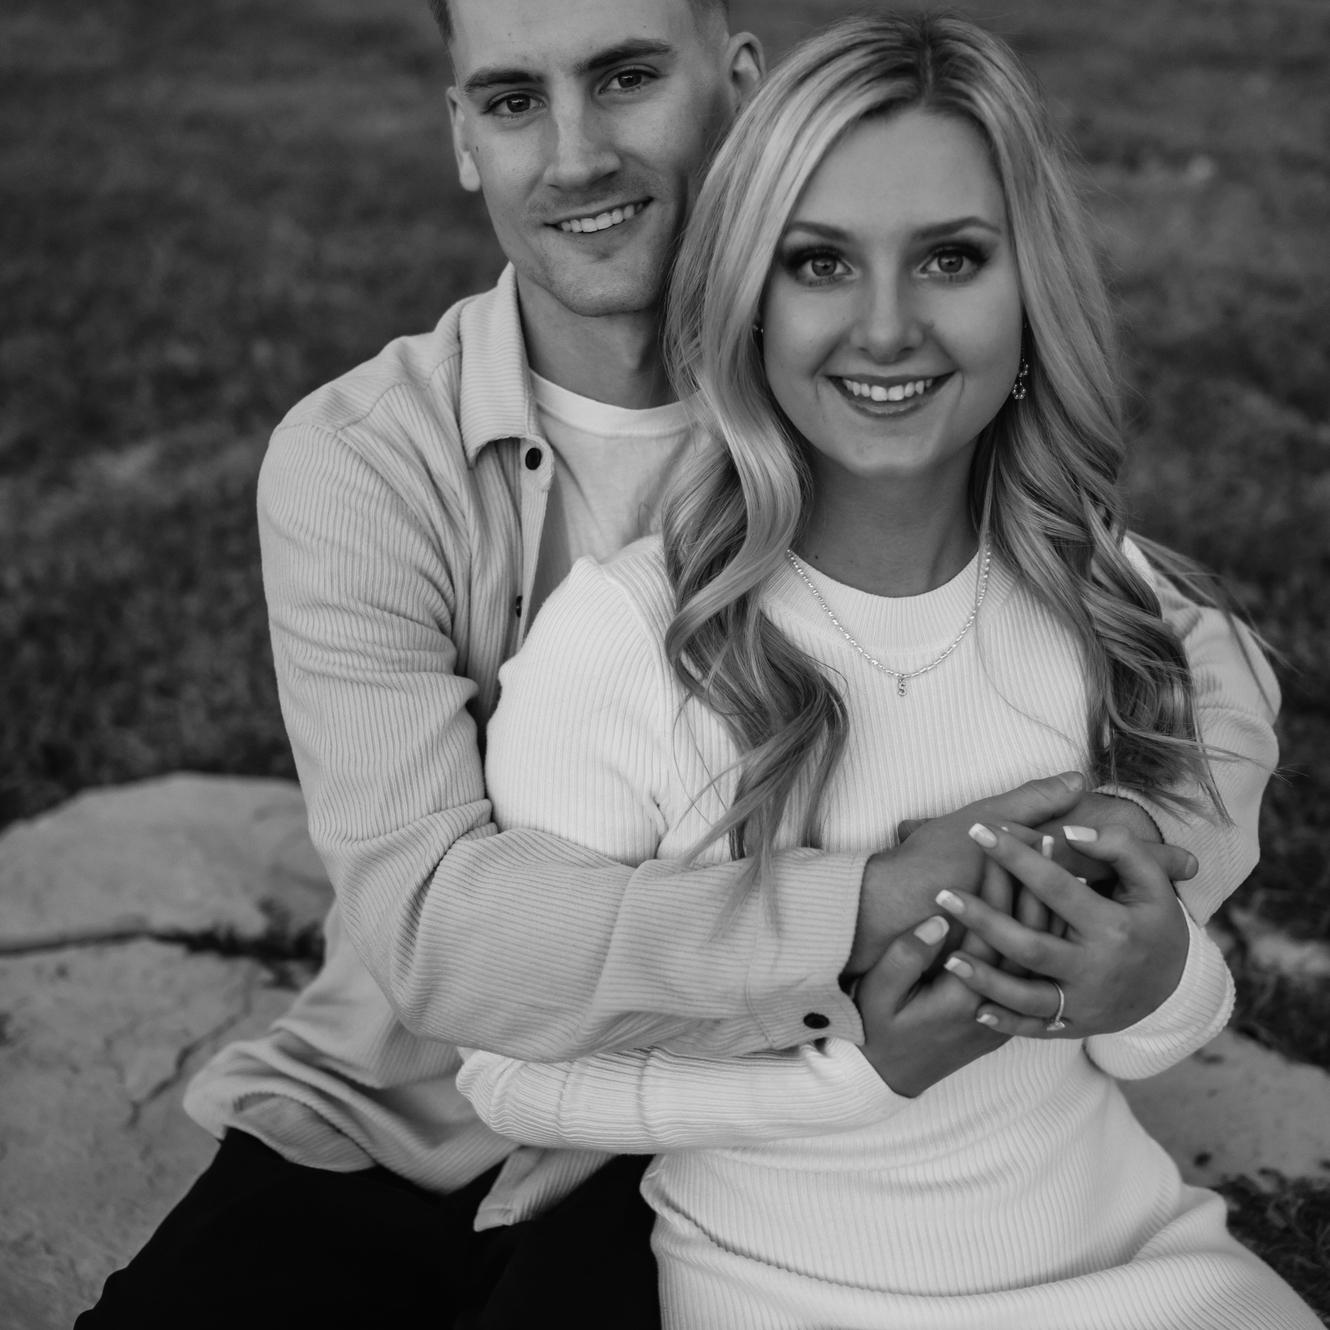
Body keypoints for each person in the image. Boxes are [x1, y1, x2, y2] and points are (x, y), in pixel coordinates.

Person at [76, 2, 1283, 1327]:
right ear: (463, 135)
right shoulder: (365, 459)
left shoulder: (847, 394)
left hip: (725, 1148)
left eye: (627, 76)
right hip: (404, 1108)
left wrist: (1094, 876)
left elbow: (1194, 663)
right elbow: (432, 930)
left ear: (739, 85)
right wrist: (869, 902)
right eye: (513, 101)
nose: (575, 155)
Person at [458, 14, 1316, 1328]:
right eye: (818, 263)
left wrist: (1160, 983)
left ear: (1029, 292)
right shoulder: (623, 646)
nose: (886, 327)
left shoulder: (1109, 596)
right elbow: (510, 1074)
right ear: (745, 299)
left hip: (1137, 1262)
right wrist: (853, 1075)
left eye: (950, 259)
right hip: (786, 1291)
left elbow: (1156, 1025)